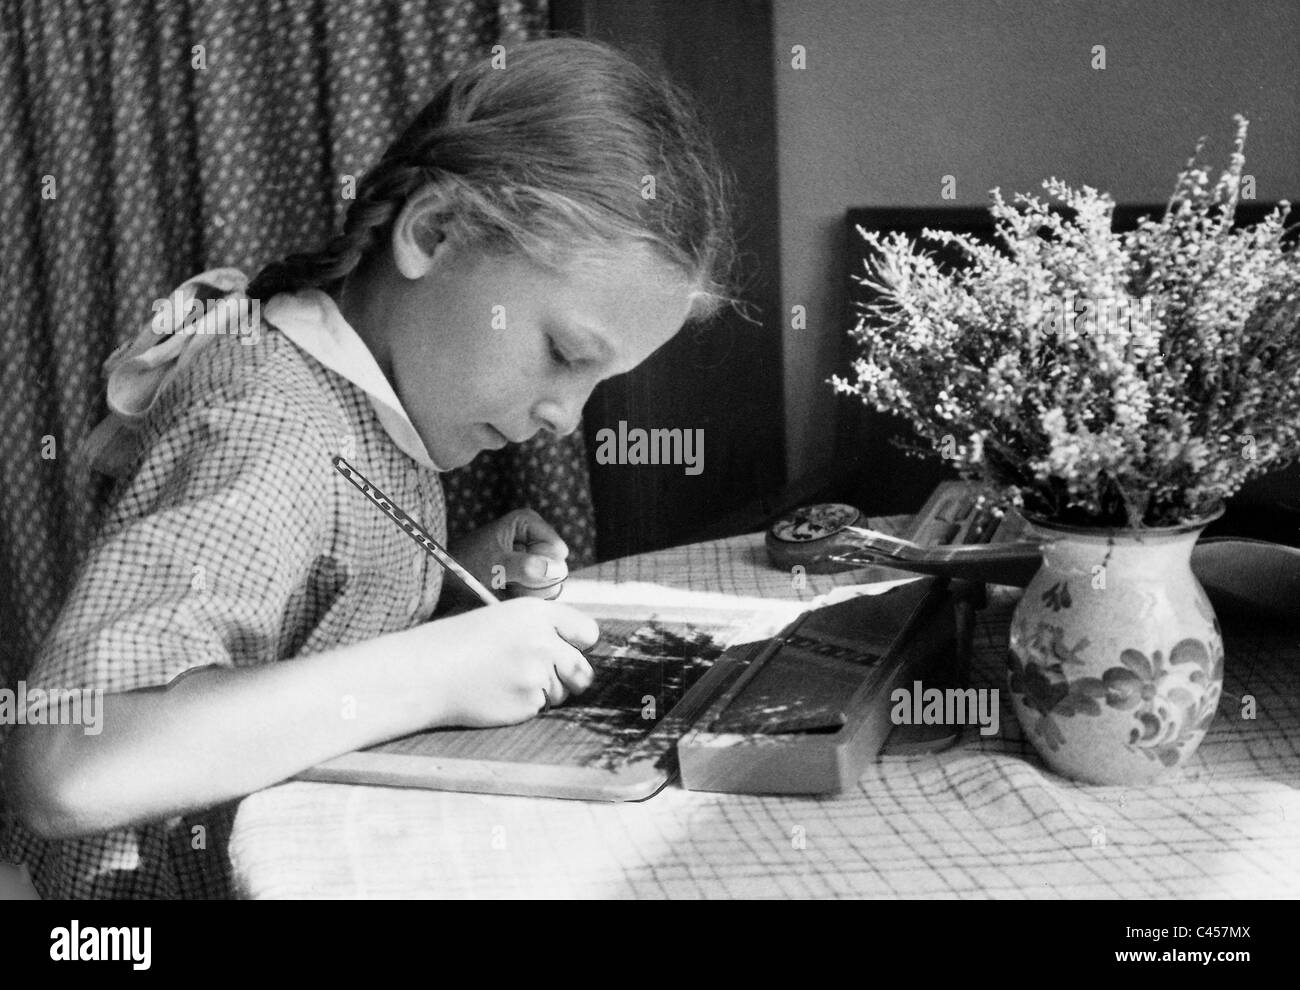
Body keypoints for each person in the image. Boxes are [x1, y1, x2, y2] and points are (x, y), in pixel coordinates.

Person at [1, 36, 734, 899]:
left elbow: (290, 626)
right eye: (564, 352)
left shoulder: (364, 404)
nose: (564, 419)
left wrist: (457, 579)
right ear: (435, 231)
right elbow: (65, 764)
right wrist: (433, 673)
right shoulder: (271, 422)